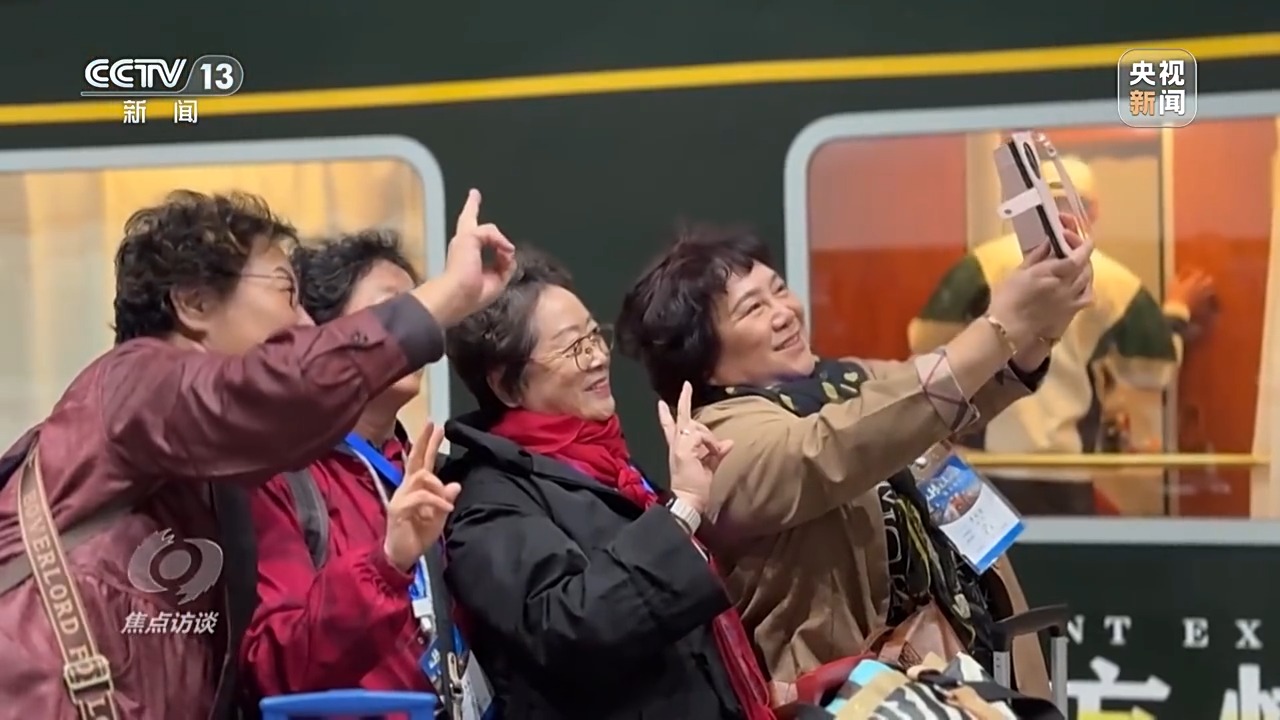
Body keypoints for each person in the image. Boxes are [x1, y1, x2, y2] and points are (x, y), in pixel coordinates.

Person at [0, 188, 513, 720]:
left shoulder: (217, 468)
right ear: (195, 303)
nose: (306, 326)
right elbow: (280, 386)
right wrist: (449, 294)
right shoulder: (134, 381)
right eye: (286, 293)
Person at [615, 221, 1094, 697]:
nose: (784, 313)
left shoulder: (841, 381)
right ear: (704, 359)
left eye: (779, 290)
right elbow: (845, 441)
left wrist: (1041, 325)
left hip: (972, 673)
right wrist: (999, 324)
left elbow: (956, 392)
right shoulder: (717, 439)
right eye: (753, 308)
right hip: (861, 699)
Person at [439, 247, 774, 720]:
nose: (598, 358)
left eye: (595, 336)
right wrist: (682, 511)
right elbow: (570, 629)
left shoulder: (606, 466)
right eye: (574, 347)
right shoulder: (488, 501)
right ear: (508, 385)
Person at [242, 231, 482, 717]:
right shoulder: (280, 476)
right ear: (324, 336)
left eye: (418, 314)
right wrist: (386, 563)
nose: (412, 336)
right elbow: (275, 667)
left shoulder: (425, 470)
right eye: (392, 313)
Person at [909, 155, 1217, 515]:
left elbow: (925, 344)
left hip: (984, 466)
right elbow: (1153, 371)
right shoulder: (1116, 282)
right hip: (1065, 472)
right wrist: (1176, 314)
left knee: (991, 552)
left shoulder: (980, 266)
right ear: (1094, 210)